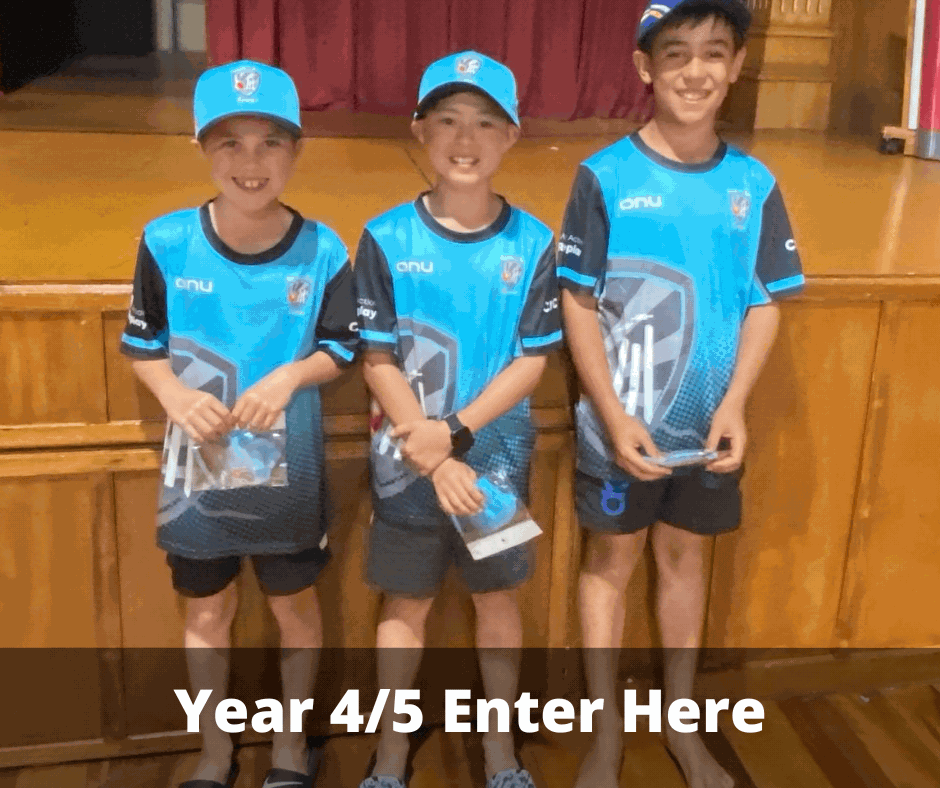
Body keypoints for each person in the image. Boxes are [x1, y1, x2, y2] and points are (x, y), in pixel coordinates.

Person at [557, 2, 805, 787]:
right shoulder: (603, 176)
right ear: (644, 66)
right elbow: (578, 299)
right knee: (610, 563)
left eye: (714, 52)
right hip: (620, 432)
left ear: (738, 65)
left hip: (706, 432)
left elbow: (765, 299)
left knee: (683, 561)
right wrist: (611, 413)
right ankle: (604, 736)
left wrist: (734, 405)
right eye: (676, 53)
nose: (696, 71)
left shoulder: (754, 185)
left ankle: (681, 725)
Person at [120, 60, 358, 788]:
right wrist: (172, 394)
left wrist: (290, 376)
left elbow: (342, 347)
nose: (251, 162)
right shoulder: (166, 241)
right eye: (230, 142)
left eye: (270, 142)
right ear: (200, 147)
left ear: (296, 150)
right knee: (206, 615)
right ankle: (214, 752)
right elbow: (142, 345)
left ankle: (289, 746)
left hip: (291, 479)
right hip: (197, 481)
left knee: (295, 611)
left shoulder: (324, 250)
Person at [354, 51, 562, 788]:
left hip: (495, 465)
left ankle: (501, 755)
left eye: (484, 123)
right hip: (405, 467)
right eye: (446, 120)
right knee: (404, 603)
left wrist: (457, 437)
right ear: (419, 130)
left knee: (497, 601)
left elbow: (531, 361)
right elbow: (377, 359)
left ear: (512, 136)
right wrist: (433, 454)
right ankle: (389, 757)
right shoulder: (385, 236)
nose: (464, 139)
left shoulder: (534, 243)